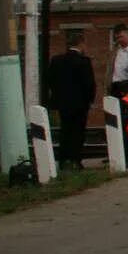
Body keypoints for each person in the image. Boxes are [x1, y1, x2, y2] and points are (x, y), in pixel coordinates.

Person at [45, 29, 97, 170]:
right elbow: (89, 84)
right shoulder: (84, 62)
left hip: (62, 103)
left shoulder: (56, 60)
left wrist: (58, 95)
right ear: (81, 44)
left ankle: (63, 160)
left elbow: (49, 80)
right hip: (80, 104)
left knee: (65, 131)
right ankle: (76, 160)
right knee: (78, 132)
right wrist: (90, 100)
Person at [106, 23, 128, 100]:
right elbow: (109, 70)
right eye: (117, 38)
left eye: (121, 37)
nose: (119, 40)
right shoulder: (114, 51)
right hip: (114, 86)